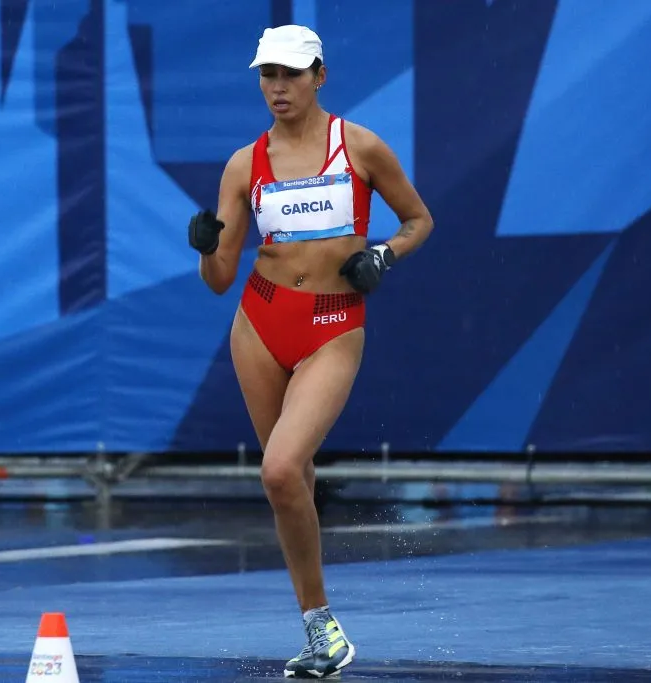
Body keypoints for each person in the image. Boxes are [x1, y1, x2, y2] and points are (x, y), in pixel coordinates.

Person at [187, 24, 434, 679]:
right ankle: (318, 630)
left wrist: (383, 252)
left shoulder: (358, 146)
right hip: (260, 324)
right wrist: (206, 245)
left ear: (319, 76)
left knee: (278, 468)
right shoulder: (246, 163)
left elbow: (419, 220)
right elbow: (218, 281)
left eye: (291, 75)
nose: (278, 87)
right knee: (288, 478)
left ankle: (324, 625)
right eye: (268, 75)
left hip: (332, 325)